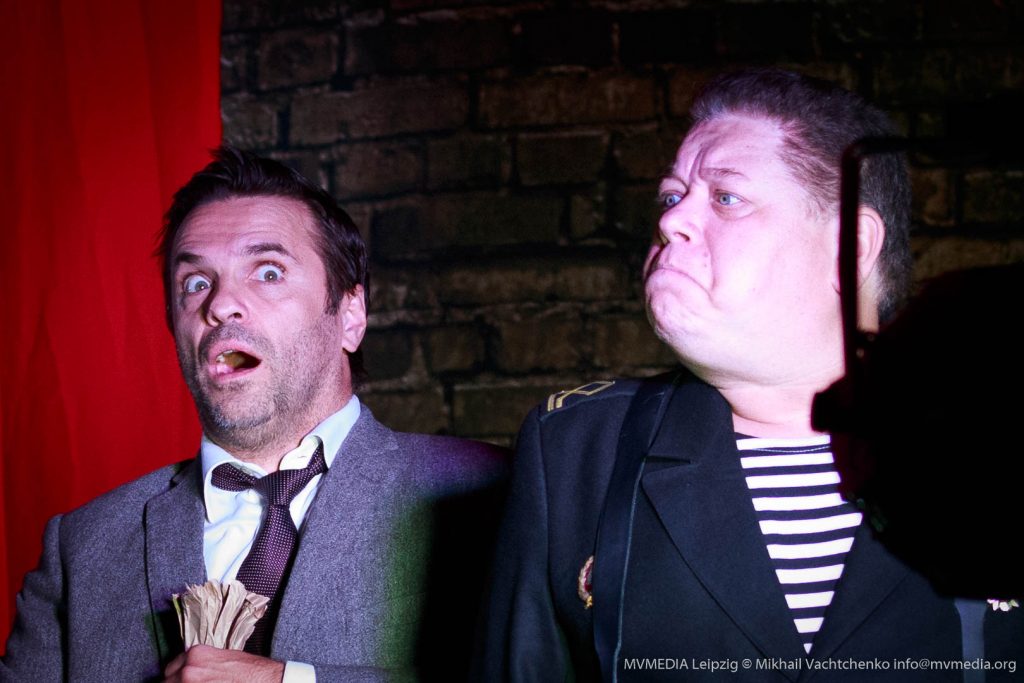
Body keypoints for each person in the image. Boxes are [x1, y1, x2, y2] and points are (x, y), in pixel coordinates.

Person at [477, 69, 1023, 681]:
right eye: (671, 196)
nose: (671, 221)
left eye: (727, 198)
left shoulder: (996, 442)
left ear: (850, 244)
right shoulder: (578, 449)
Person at [1, 147, 506, 682]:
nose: (220, 305)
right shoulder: (81, 548)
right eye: (196, 283)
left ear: (350, 315)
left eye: (268, 272)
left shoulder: (491, 493)